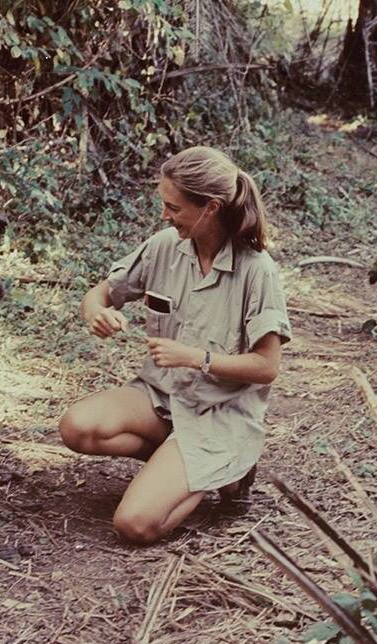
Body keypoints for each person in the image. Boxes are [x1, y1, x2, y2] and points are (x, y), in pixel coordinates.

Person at [59, 146, 292, 544]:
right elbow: (99, 293)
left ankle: (226, 470)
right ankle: (184, 468)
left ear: (211, 208)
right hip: (162, 397)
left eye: (174, 208)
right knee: (77, 428)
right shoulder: (165, 246)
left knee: (135, 524)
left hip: (218, 412)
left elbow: (267, 366)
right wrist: (95, 312)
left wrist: (197, 359)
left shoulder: (257, 270)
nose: (165, 216)